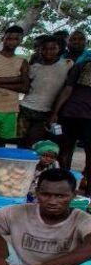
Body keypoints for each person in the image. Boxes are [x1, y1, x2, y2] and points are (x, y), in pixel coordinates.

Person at [50, 49, 91, 191]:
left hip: (82, 116)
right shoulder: (81, 66)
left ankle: (85, 188)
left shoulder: (81, 65)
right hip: (71, 113)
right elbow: (68, 89)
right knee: (65, 150)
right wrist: (55, 112)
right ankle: (64, 183)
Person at [20, 36, 70, 146]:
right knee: (20, 141)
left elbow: (67, 89)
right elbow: (25, 87)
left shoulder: (67, 64)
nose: (48, 51)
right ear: (40, 49)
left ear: (59, 48)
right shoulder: (34, 67)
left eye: (53, 48)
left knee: (35, 143)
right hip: (25, 109)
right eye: (44, 48)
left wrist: (55, 113)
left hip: (45, 112)